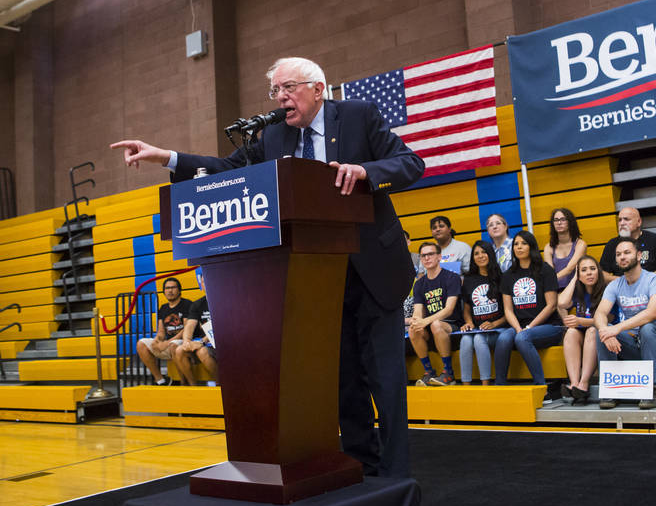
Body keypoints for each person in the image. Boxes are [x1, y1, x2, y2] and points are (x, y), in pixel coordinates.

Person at [112, 56, 425, 477]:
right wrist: (165, 157)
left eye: (289, 88)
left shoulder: (357, 116)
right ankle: (361, 462)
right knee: (343, 379)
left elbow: (410, 163)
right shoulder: (274, 135)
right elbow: (226, 168)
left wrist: (365, 171)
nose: (280, 97)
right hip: (315, 277)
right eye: (275, 91)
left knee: (384, 379)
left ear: (317, 88)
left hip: (373, 270)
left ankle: (396, 471)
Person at [593, 238, 656, 410]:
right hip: (634, 344)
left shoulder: (653, 280)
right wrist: (606, 331)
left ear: (639, 255)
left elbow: (651, 313)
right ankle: (610, 389)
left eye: (627, 252)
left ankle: (652, 388)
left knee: (647, 328)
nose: (622, 257)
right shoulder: (615, 285)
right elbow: (600, 313)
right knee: (599, 330)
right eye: (619, 254)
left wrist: (617, 328)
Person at [495, 231, 564, 398]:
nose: (519, 247)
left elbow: (551, 305)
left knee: (521, 338)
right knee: (504, 338)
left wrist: (528, 328)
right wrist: (519, 328)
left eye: (523, 243)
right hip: (521, 326)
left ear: (531, 246)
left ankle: (542, 389)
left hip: (548, 326)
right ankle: (500, 387)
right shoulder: (508, 275)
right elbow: (508, 310)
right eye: (516, 244)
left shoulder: (544, 270)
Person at [409, 242, 462, 387]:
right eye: (423, 255)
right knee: (413, 328)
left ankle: (448, 374)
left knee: (436, 324)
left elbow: (449, 309)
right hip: (429, 326)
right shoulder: (419, 284)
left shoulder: (452, 278)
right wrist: (417, 321)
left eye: (430, 254)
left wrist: (425, 321)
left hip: (451, 325)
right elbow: (418, 310)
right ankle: (429, 372)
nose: (426, 258)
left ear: (439, 257)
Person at [557, 255, 607, 405]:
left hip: (603, 333)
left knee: (592, 331)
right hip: (582, 334)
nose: (589, 273)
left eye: (592, 269)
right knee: (571, 332)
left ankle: (584, 383)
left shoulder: (606, 290)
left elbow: (608, 319)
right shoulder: (579, 291)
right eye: (584, 270)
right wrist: (574, 279)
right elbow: (561, 302)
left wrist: (580, 321)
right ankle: (574, 383)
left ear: (598, 271)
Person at [459, 241, 507, 385]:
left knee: (479, 339)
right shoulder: (468, 279)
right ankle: (466, 385)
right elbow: (467, 309)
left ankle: (485, 385)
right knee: (465, 340)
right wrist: (469, 323)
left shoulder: (501, 277)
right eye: (476, 253)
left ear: (490, 254)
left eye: (483, 252)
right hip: (477, 328)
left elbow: (510, 311)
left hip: (498, 328)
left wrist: (494, 324)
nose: (480, 256)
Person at [136, 278, 193, 386]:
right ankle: (160, 381)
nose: (170, 291)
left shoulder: (187, 304)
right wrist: (157, 340)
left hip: (185, 342)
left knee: (173, 345)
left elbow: (186, 329)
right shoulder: (163, 308)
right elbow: (161, 331)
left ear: (179, 290)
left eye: (173, 287)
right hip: (169, 343)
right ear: (164, 291)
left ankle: (184, 383)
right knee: (141, 344)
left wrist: (166, 343)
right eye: (167, 288)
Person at [599, 207, 656, 280]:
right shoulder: (612, 244)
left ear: (639, 222)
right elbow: (602, 273)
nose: (622, 223)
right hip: (622, 289)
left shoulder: (653, 239)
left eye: (626, 219)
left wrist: (646, 280)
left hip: (649, 286)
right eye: (619, 220)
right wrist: (621, 282)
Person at [175, 270, 218, 386]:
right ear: (201, 285)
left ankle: (221, 384)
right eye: (204, 282)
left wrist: (202, 342)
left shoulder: (223, 300)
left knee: (202, 351)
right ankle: (193, 386)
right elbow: (190, 325)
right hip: (206, 342)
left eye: (209, 281)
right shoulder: (198, 304)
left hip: (221, 341)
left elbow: (218, 327)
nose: (206, 284)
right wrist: (186, 341)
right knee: (179, 350)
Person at [543, 207, 587, 291]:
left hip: (577, 288)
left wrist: (550, 281)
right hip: (556, 289)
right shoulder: (548, 247)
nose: (559, 223)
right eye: (556, 220)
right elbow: (550, 272)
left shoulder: (580, 244)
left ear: (570, 222)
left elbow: (569, 269)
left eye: (563, 219)